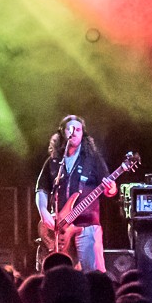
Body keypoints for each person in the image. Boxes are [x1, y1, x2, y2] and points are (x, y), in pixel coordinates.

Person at [34, 115, 116, 273]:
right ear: (63, 133)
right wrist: (44, 212)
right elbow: (41, 189)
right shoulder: (53, 161)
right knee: (60, 275)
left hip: (88, 226)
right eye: (70, 129)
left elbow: (110, 190)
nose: (74, 132)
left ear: (83, 134)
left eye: (78, 129)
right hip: (61, 227)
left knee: (93, 275)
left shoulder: (93, 160)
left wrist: (111, 189)